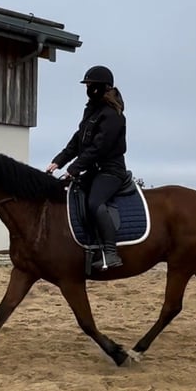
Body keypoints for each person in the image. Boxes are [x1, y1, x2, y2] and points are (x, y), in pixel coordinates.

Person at [46, 65, 127, 270]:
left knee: (94, 203)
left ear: (102, 87)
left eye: (91, 85)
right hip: (93, 170)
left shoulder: (113, 115)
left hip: (110, 171)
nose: (88, 88)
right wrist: (58, 161)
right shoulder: (92, 112)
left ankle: (110, 253)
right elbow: (77, 141)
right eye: (87, 85)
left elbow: (98, 148)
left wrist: (74, 169)